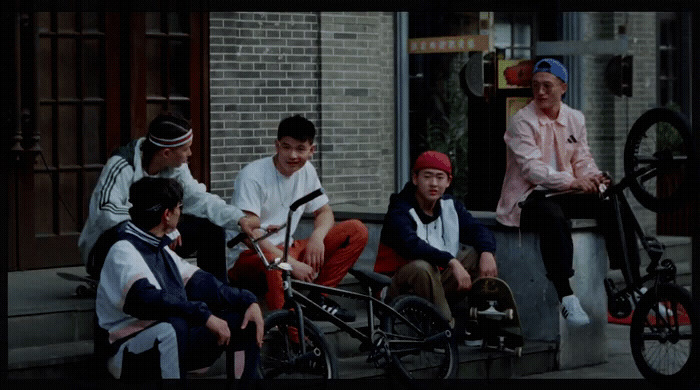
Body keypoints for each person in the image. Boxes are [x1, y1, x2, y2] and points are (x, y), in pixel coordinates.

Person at [95, 177, 264, 379]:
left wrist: (247, 300)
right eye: (179, 207)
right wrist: (203, 315)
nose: (181, 212)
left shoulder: (160, 247)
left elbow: (201, 282)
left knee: (244, 321)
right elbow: (147, 300)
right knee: (173, 326)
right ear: (167, 214)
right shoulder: (123, 249)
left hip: (168, 340)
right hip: (127, 349)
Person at [496, 58, 618, 326]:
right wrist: (573, 182)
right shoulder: (521, 121)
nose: (540, 92)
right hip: (527, 199)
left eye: (547, 86)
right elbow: (532, 170)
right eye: (535, 86)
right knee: (552, 215)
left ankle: (631, 281)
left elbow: (582, 159)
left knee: (610, 200)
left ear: (563, 87)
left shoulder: (575, 118)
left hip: (563, 192)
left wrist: (593, 179)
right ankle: (566, 296)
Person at [79, 113, 259, 282]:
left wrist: (238, 218)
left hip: (159, 238)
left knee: (210, 226)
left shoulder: (176, 167)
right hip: (109, 247)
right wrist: (163, 228)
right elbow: (106, 212)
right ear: (166, 153)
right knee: (120, 227)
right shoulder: (121, 164)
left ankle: (217, 295)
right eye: (186, 149)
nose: (190, 154)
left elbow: (197, 199)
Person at [227, 115, 369, 321]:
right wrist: (291, 263)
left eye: (300, 149)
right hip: (251, 257)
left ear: (312, 150)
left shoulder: (307, 171)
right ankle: (291, 334)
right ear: (276, 146)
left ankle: (319, 298)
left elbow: (324, 212)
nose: (292, 155)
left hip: (288, 249)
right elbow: (249, 236)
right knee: (275, 264)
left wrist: (317, 238)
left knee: (356, 230)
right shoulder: (252, 175)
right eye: (286, 147)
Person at [374, 150, 498, 329]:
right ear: (415, 179)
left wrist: (487, 252)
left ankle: (480, 320)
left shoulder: (450, 206)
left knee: (479, 255)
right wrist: (452, 262)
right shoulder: (399, 208)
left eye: (440, 178)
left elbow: (477, 229)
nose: (433, 183)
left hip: (436, 281)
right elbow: (412, 245)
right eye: (427, 177)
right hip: (395, 287)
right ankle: (443, 327)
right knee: (422, 267)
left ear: (448, 181)